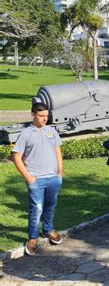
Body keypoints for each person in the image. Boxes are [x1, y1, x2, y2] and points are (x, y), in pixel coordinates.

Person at [13, 103, 63, 256]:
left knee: (51, 205)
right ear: (33, 115)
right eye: (41, 116)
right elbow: (16, 157)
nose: (45, 119)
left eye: (47, 116)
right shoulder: (26, 133)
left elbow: (57, 151)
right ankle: (32, 238)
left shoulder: (51, 131)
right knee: (36, 209)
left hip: (53, 178)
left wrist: (60, 172)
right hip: (36, 180)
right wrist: (28, 177)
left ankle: (48, 229)